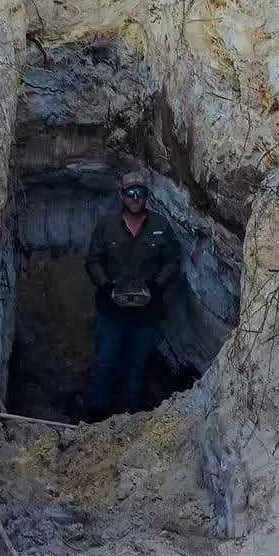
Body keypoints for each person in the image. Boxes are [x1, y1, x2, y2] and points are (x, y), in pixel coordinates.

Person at [83, 172, 181, 420]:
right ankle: (95, 416)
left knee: (136, 366)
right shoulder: (106, 225)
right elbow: (93, 261)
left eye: (140, 193)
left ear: (147, 196)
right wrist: (106, 286)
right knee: (105, 362)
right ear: (121, 195)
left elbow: (172, 261)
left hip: (146, 314)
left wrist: (155, 287)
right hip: (111, 311)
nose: (135, 197)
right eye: (130, 192)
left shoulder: (160, 227)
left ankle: (128, 419)